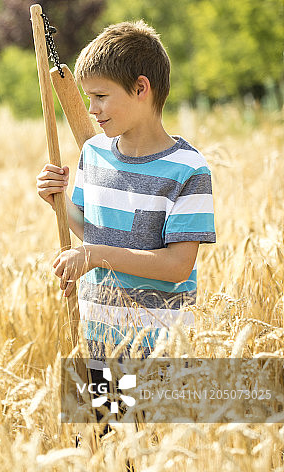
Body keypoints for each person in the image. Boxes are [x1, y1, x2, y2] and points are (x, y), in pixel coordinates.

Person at [36, 21, 216, 378]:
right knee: (102, 432)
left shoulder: (188, 170)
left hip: (159, 348)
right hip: (98, 338)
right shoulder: (94, 153)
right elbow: (92, 230)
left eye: (100, 96)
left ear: (140, 88)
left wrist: (96, 256)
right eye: (88, 97)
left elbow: (177, 265)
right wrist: (57, 200)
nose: (91, 109)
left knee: (152, 434)